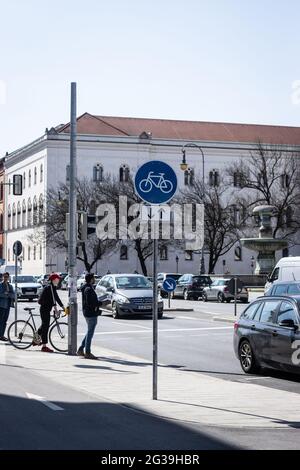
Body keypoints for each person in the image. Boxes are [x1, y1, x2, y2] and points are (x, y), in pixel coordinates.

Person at [37, 273, 64, 352]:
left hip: (46, 309)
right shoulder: (50, 288)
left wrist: (63, 307)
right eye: (57, 279)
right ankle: (44, 346)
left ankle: (36, 339)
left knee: (44, 325)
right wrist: (56, 309)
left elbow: (57, 298)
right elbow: (54, 301)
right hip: (44, 309)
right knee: (45, 327)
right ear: (53, 280)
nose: (59, 280)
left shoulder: (53, 288)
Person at [78, 273, 102, 360]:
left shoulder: (87, 287)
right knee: (90, 333)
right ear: (91, 279)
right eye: (93, 278)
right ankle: (87, 352)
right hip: (91, 313)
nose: (94, 279)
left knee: (89, 331)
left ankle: (81, 349)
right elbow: (90, 302)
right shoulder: (88, 289)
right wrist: (98, 303)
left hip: (89, 312)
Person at [0, 272, 15, 341]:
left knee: (5, 321)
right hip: (1, 305)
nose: (6, 278)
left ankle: (2, 335)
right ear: (2, 277)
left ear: (8, 277)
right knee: (1, 321)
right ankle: (1, 335)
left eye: (7, 277)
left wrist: (7, 294)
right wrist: (7, 294)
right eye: (4, 276)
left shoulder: (10, 286)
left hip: (8, 306)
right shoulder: (0, 285)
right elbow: (0, 294)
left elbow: (13, 295)